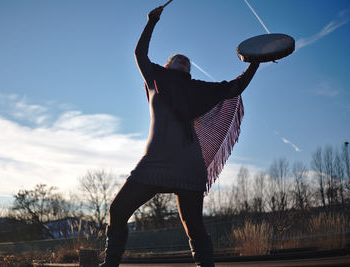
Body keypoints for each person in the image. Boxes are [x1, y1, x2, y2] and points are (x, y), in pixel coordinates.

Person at [99, 5, 259, 267]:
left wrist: (256, 61)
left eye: (187, 60)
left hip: (188, 163)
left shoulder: (198, 88)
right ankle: (110, 263)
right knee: (117, 210)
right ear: (166, 65)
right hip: (155, 161)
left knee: (192, 225)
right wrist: (152, 21)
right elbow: (139, 53)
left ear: (189, 70)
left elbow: (235, 86)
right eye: (178, 57)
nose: (184, 59)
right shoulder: (154, 78)